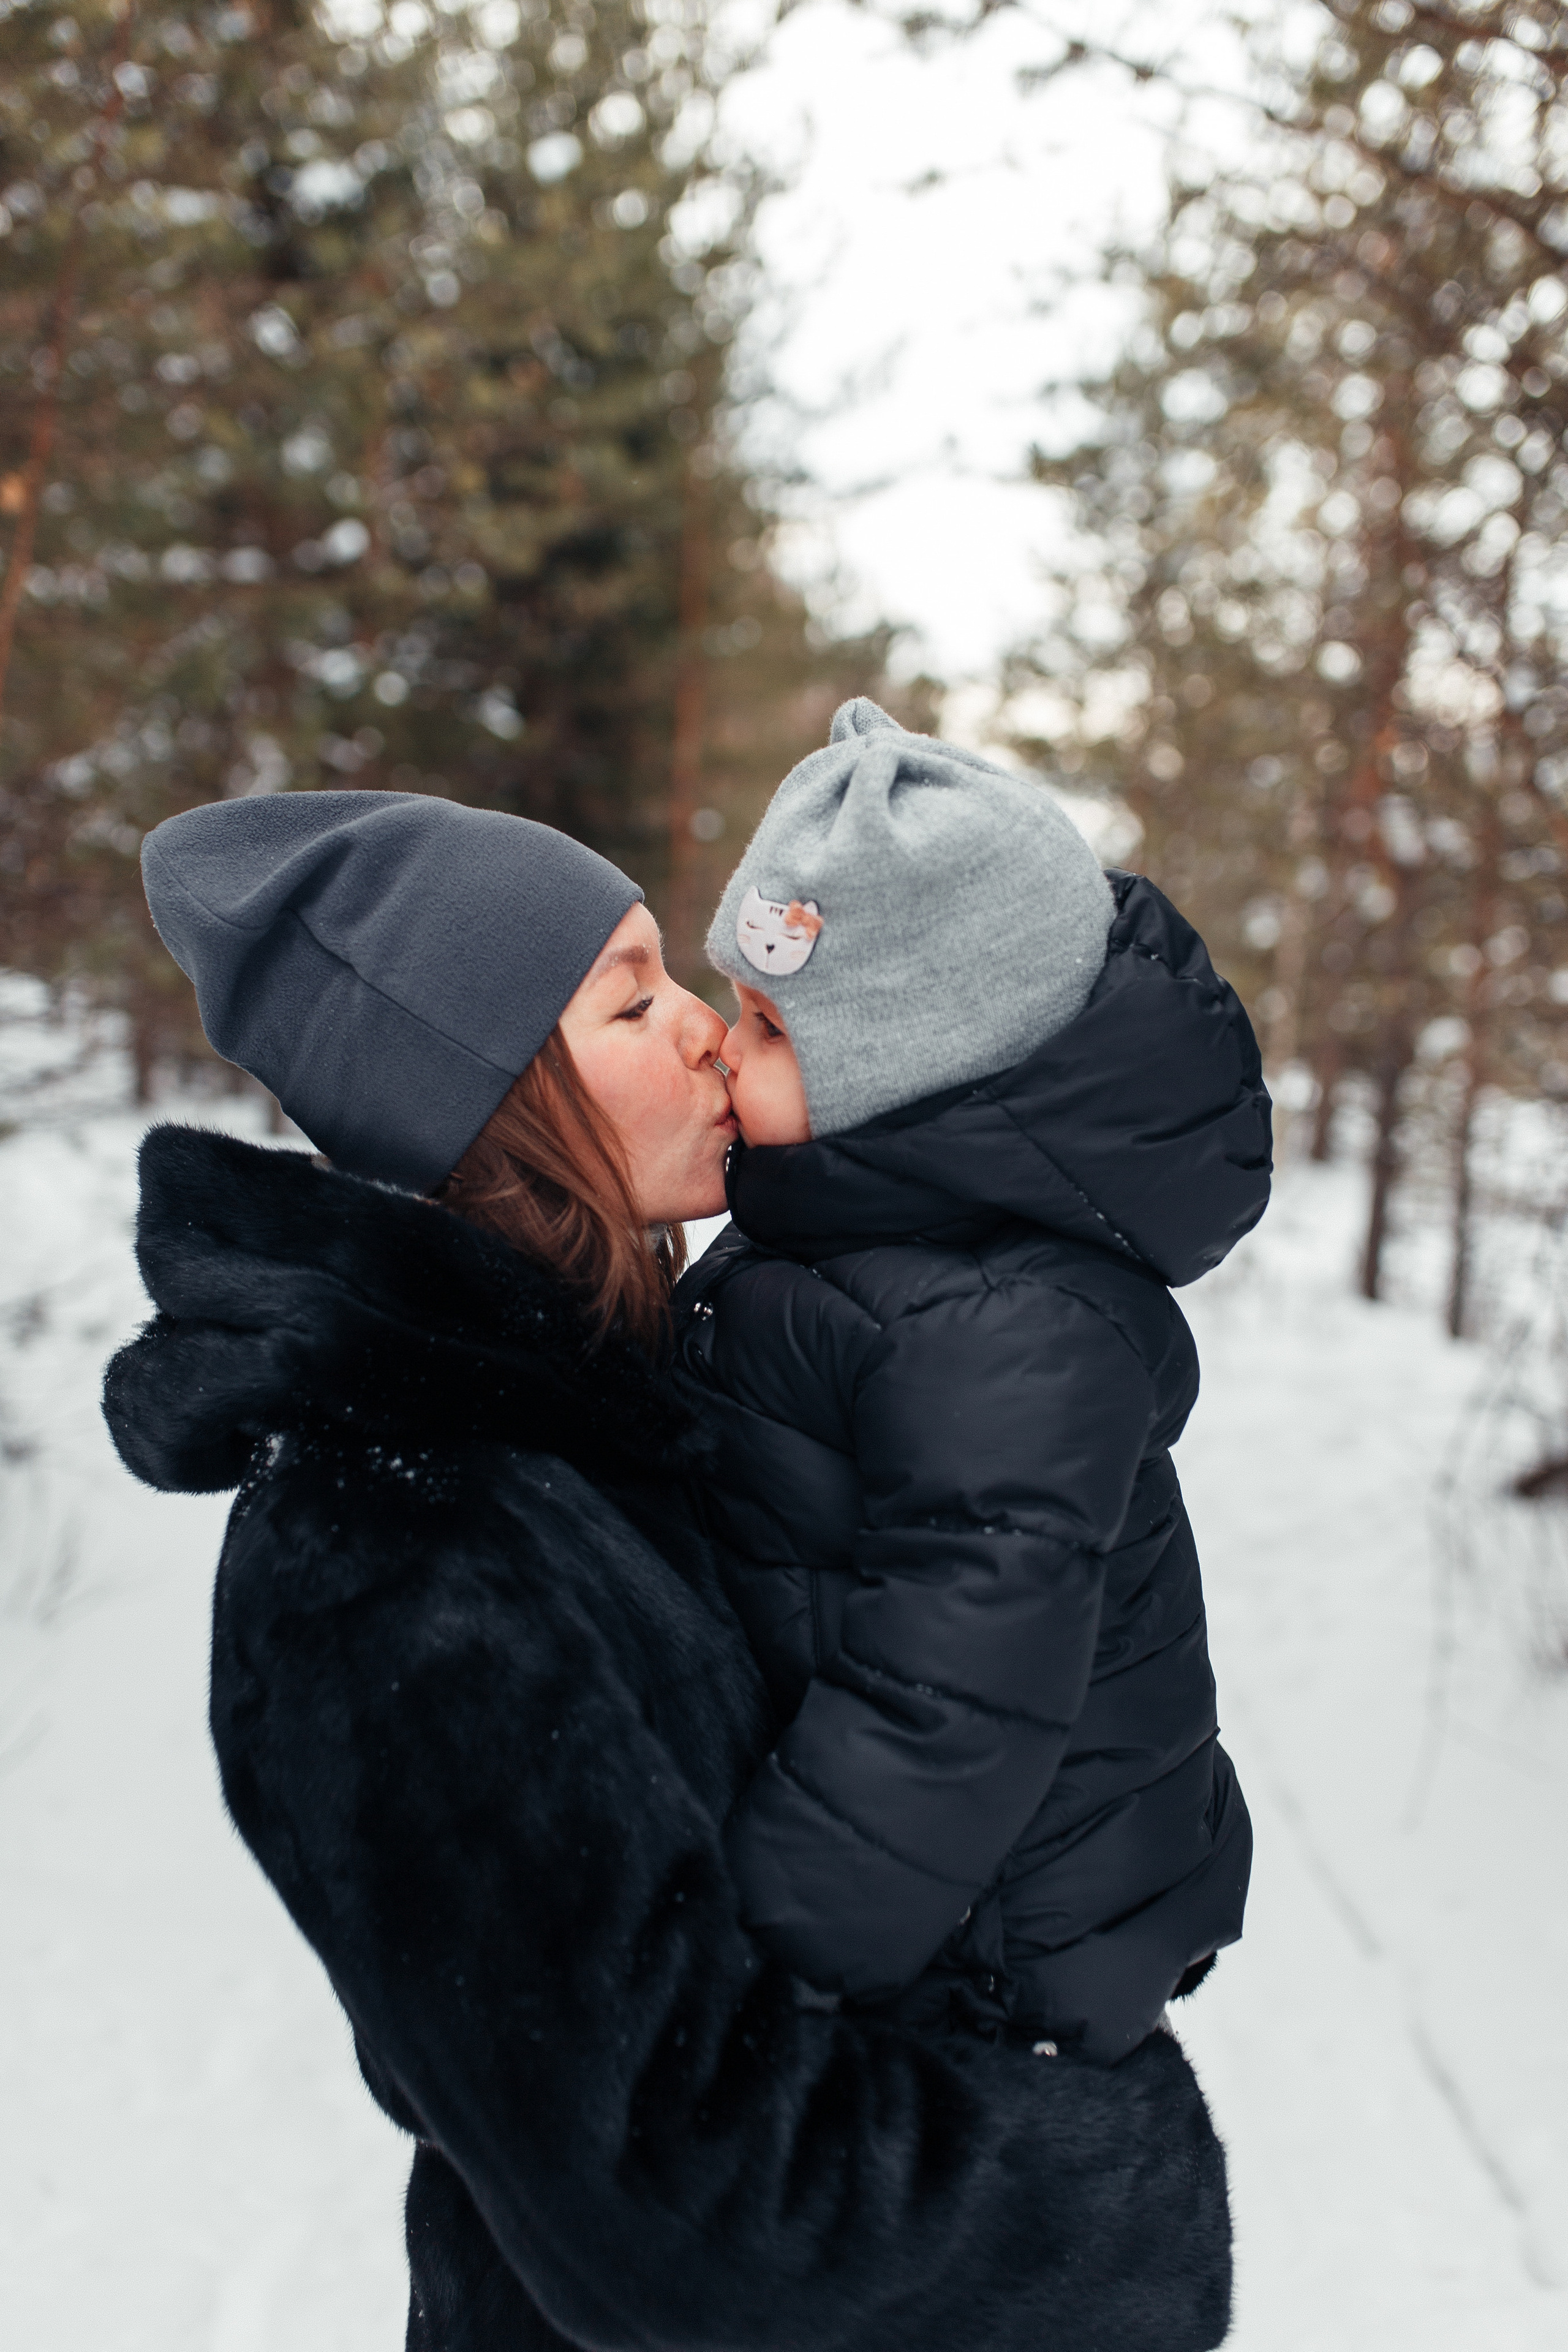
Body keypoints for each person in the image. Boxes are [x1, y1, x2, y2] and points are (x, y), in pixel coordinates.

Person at [103, 787, 1237, 2352]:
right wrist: (1114, 2194)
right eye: (635, 997)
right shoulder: (399, 1539)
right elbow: (692, 2194)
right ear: (493, 1097)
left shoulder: (623, 1407)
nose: (711, 1031)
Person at [676, 696, 1268, 2066]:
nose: (718, 1046)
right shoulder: (868, 1238)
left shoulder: (1004, 1326)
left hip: (999, 1963)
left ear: (897, 1073)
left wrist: (757, 1971)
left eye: (764, 1027)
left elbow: (951, 1704)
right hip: (949, 1923)